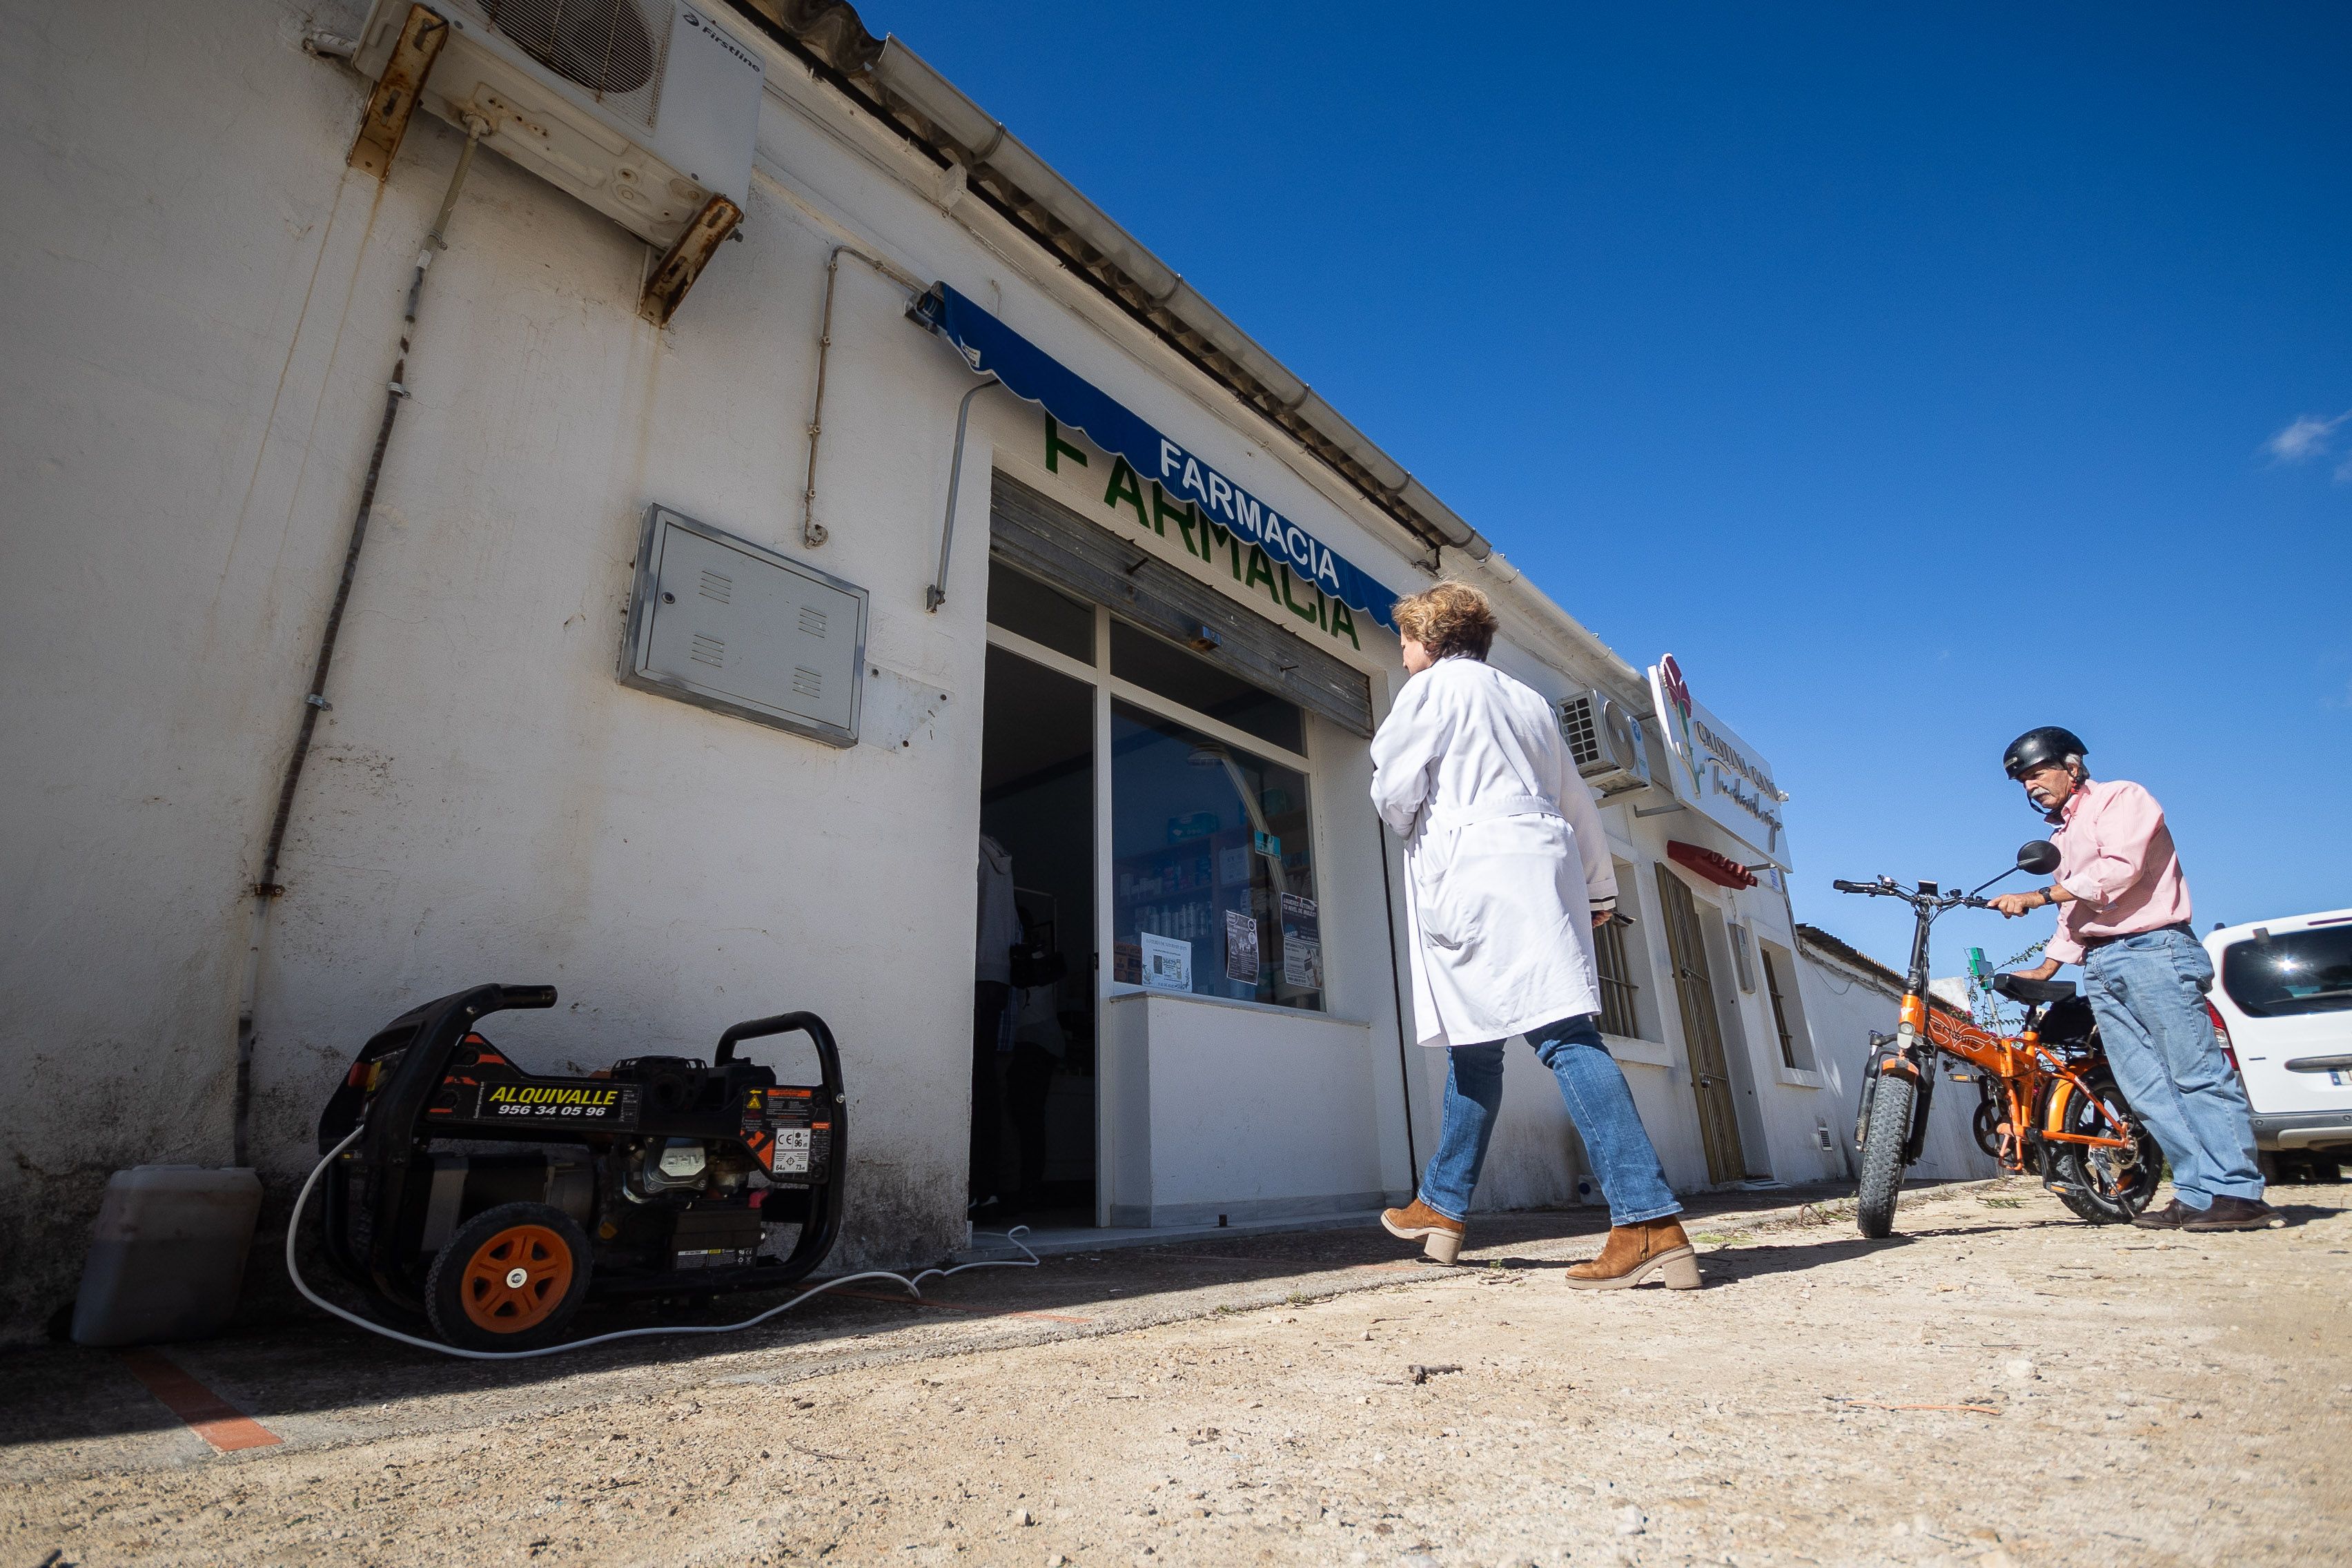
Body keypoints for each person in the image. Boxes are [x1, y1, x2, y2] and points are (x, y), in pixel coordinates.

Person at [1369, 582, 1698, 1290]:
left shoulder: (1428, 692)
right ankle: (1443, 1206)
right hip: (1541, 868)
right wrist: (1599, 887)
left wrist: (1419, 823)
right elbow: (1573, 799)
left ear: (1428, 638)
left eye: (1405, 637)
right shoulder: (1528, 702)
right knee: (1476, 1040)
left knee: (1563, 1037)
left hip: (1478, 872)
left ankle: (1646, 1218)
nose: (1401, 651)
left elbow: (1394, 792)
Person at [1990, 727, 2280, 1231]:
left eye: (2037, 773)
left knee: (2194, 1074)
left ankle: (2238, 1192)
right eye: (2022, 781)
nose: (2030, 786)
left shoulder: (2123, 798)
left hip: (2154, 949)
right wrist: (2049, 966)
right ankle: (2196, 1193)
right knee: (2145, 1088)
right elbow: (2075, 908)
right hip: (2102, 963)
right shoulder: (2063, 836)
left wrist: (2038, 896)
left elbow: (2119, 870)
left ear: (2072, 765)